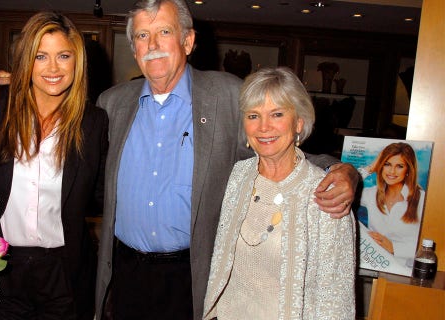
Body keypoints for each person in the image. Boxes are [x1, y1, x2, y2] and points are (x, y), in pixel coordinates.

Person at [93, 1, 359, 319]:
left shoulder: (227, 95)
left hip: (191, 273)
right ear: (134, 48)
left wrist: (340, 170)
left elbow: (273, 144)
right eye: (142, 35)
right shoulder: (111, 104)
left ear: (188, 41)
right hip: (126, 273)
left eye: (164, 32)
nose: (153, 45)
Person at [0, 12, 108, 320]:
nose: (53, 68)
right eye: (41, 56)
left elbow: (100, 193)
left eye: (63, 56)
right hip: (0, 265)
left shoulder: (93, 122)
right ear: (27, 61)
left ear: (76, 61)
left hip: (63, 271)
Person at [203, 67, 356, 320]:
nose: (264, 127)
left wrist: (349, 172)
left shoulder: (326, 194)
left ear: (299, 122)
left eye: (276, 114)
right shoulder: (238, 176)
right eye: (253, 115)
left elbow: (335, 299)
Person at [359, 142, 424, 268]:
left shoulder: (423, 199)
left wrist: (394, 247)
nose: (392, 171)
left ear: (408, 170)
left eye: (399, 166)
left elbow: (432, 245)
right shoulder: (370, 194)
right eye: (387, 164)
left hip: (405, 271)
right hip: (374, 266)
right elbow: (337, 190)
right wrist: (371, 168)